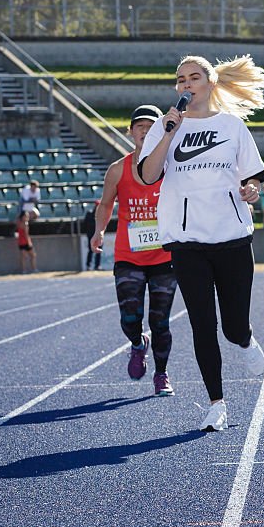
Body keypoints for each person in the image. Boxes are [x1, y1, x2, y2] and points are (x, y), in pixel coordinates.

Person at [139, 55, 264, 430]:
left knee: (232, 324)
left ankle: (244, 340)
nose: (186, 84)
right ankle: (216, 403)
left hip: (231, 237)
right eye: (180, 79)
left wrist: (252, 190)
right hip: (186, 241)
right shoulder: (164, 128)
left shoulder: (232, 126)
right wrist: (167, 133)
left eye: (194, 77)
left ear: (210, 83)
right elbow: (149, 175)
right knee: (202, 323)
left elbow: (254, 178)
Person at [92, 105, 179, 397]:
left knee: (161, 320)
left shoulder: (172, 167)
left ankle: (162, 373)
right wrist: (99, 230)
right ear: (130, 132)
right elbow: (105, 204)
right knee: (130, 318)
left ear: (159, 130)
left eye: (149, 126)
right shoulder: (118, 169)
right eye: (138, 126)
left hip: (165, 256)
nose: (144, 130)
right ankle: (138, 343)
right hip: (129, 255)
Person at [82, 201, 102, 270]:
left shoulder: (101, 214)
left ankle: (97, 265)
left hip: (99, 235)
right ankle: (88, 265)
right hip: (91, 235)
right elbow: (85, 224)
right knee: (90, 250)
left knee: (99, 250)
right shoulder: (89, 214)